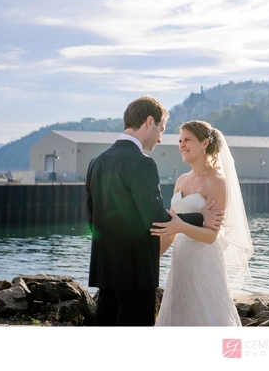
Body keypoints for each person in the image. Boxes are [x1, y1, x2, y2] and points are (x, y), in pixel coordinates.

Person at [86, 96, 224, 326]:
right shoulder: (142, 163)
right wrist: (200, 216)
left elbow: (93, 220)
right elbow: (156, 219)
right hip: (136, 273)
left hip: (106, 270)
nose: (160, 138)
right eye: (161, 128)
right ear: (149, 121)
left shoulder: (96, 162)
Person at [151, 120, 253, 326]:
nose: (182, 145)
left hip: (204, 261)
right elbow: (171, 228)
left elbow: (211, 235)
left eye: (187, 140)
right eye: (180, 140)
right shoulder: (181, 180)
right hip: (180, 260)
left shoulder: (216, 181)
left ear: (205, 143)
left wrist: (180, 226)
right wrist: (151, 259)